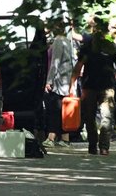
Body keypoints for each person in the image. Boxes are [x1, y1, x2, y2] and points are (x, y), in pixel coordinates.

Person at [69, 18, 116, 156]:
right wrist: (71, 84)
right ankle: (94, 146)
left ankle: (103, 146)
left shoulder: (109, 47)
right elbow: (78, 67)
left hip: (105, 87)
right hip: (90, 87)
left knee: (105, 117)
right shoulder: (88, 47)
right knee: (93, 118)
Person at [43, 20, 74, 148]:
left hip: (58, 82)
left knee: (53, 110)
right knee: (63, 110)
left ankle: (51, 138)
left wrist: (49, 81)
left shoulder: (58, 41)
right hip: (65, 80)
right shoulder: (67, 41)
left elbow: (55, 64)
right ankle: (65, 139)